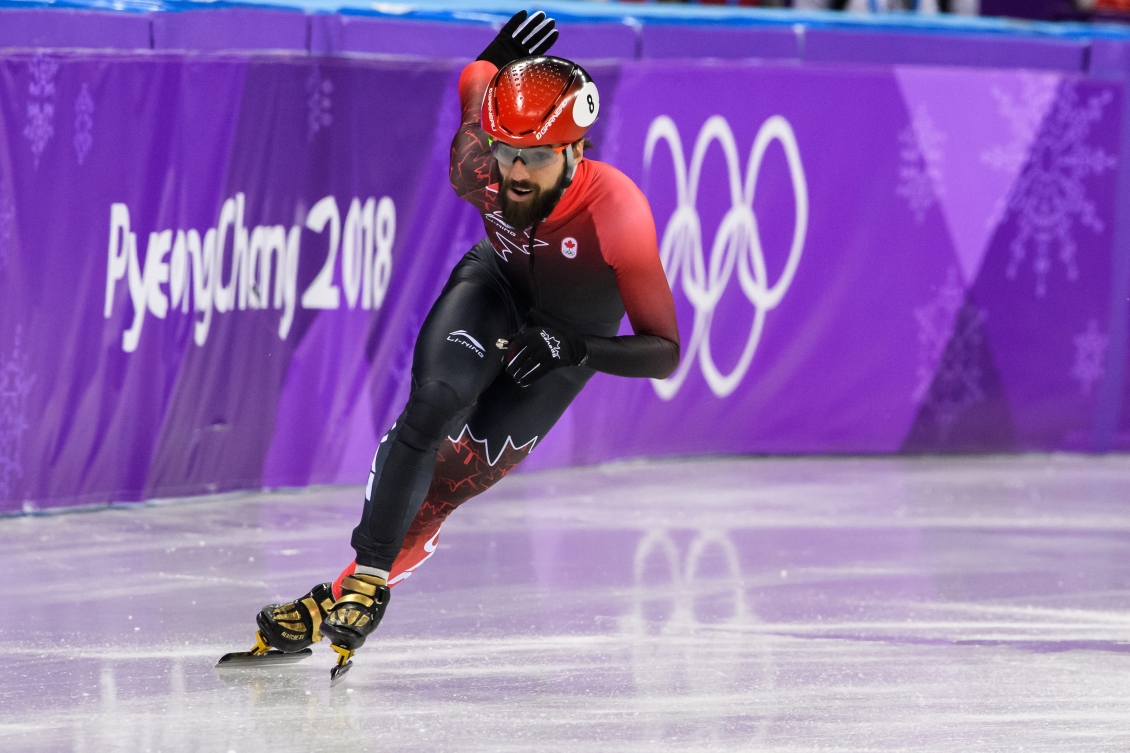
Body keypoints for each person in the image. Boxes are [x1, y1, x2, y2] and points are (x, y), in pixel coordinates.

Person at [241, 10, 680, 678]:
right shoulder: (478, 164)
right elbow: (477, 80)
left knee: (454, 477)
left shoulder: (619, 214)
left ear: (576, 153)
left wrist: (578, 349)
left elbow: (663, 349)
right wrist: (493, 57)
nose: (515, 173)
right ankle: (365, 581)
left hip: (567, 342)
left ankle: (328, 599)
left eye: (535, 157)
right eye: (506, 151)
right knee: (433, 404)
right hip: (495, 288)